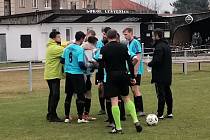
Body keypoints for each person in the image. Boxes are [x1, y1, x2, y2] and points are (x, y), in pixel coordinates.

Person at [99, 29, 142, 134]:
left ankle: (118, 128)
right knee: (127, 99)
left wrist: (100, 79)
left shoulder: (103, 49)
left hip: (111, 77)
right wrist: (132, 76)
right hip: (123, 75)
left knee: (114, 101)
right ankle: (136, 121)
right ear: (116, 36)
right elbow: (130, 62)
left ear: (108, 37)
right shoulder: (123, 47)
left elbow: (101, 65)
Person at [61, 31, 95, 123]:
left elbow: (62, 60)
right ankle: (80, 118)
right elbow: (81, 63)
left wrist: (69, 65)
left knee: (68, 95)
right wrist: (88, 67)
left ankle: (67, 117)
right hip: (77, 74)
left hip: (68, 74)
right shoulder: (80, 49)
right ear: (81, 38)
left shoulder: (67, 48)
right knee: (80, 95)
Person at [147, 28, 173, 119]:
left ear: (157, 36)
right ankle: (169, 112)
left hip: (160, 75)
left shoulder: (159, 47)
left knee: (161, 94)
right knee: (168, 92)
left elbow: (157, 60)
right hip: (167, 74)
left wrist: (149, 64)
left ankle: (160, 114)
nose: (152, 37)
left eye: (153, 35)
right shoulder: (166, 45)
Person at [123, 27, 145, 116]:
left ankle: (140, 110)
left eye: (126, 34)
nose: (125, 36)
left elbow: (138, 56)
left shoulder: (135, 42)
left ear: (131, 33)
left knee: (135, 89)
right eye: (124, 34)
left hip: (136, 70)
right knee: (133, 89)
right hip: (131, 70)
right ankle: (137, 109)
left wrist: (135, 70)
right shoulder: (128, 44)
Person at [44, 31, 64, 122]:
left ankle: (50, 114)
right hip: (53, 74)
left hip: (50, 73)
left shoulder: (51, 46)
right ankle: (53, 115)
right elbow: (66, 50)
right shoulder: (55, 48)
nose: (60, 38)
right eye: (58, 37)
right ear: (54, 38)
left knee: (52, 94)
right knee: (56, 95)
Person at [82, 35, 98, 121]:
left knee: (82, 94)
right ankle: (85, 114)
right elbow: (89, 62)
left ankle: (81, 113)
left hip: (79, 74)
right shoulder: (89, 48)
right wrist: (94, 66)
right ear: (94, 42)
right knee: (88, 94)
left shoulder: (82, 46)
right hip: (85, 75)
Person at [95, 27, 111, 115]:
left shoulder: (111, 43)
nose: (103, 35)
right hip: (100, 69)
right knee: (100, 88)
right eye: (103, 34)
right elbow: (96, 55)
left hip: (109, 70)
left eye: (104, 34)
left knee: (108, 89)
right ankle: (102, 108)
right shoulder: (99, 43)